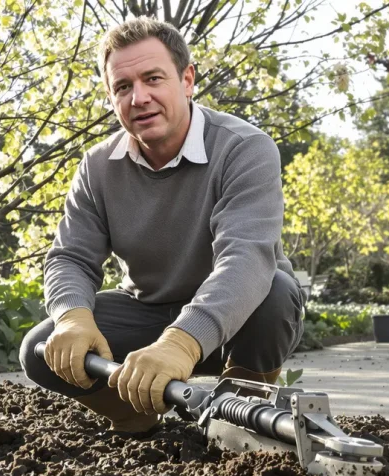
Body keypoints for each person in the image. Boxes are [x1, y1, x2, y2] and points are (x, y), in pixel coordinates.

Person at [18, 16, 304, 434]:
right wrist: (72, 318)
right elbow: (71, 256)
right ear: (111, 97)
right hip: (147, 310)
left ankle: (240, 420)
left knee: (277, 289)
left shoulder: (244, 148)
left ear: (187, 79)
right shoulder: (98, 167)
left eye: (153, 78)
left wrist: (181, 342)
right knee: (41, 350)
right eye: (123, 87)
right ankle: (139, 416)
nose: (139, 97)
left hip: (236, 320)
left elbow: (246, 257)